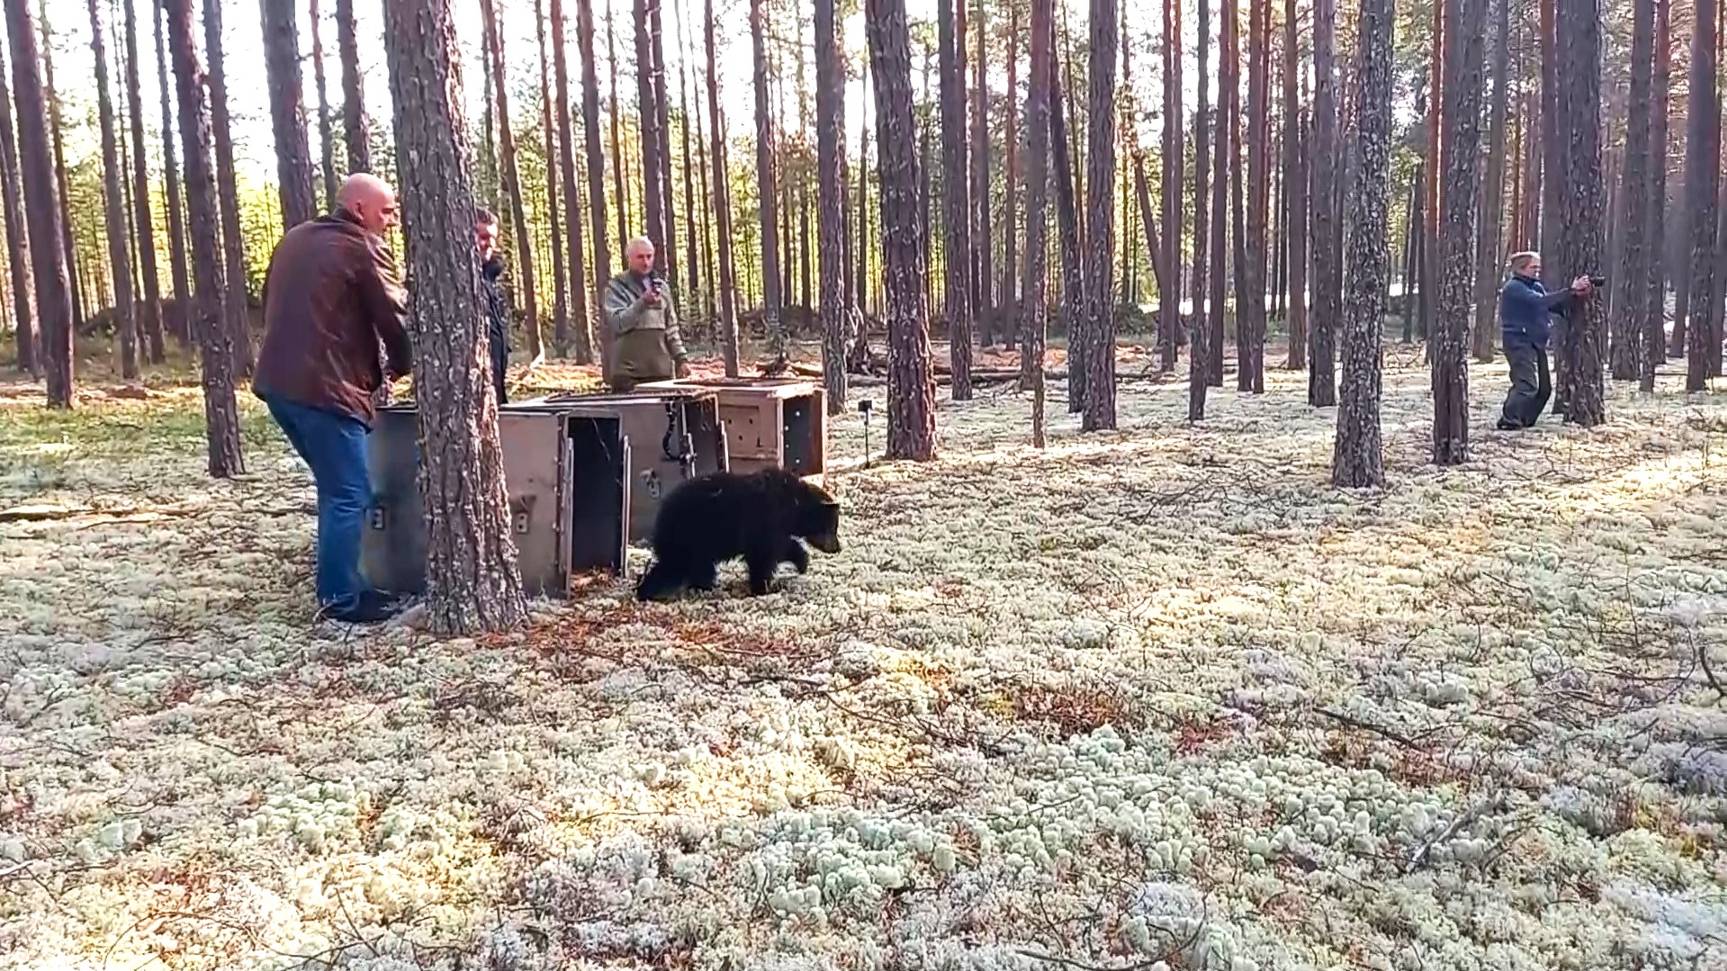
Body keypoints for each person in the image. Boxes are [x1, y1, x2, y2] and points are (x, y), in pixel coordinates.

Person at [254, 173, 413, 624]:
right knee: (349, 492)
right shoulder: (361, 246)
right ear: (359, 209)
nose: (392, 220)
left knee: (336, 489)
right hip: (326, 388)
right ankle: (341, 599)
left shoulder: (296, 239)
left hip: (280, 386)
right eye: (385, 211)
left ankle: (344, 585)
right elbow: (394, 317)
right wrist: (402, 366)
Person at [1497, 251, 1594, 430]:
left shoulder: (1535, 286)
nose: (1537, 271)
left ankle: (1525, 419)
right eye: (1533, 267)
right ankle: (1509, 420)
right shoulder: (1514, 287)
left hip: (1536, 342)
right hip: (1519, 341)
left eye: (1538, 268)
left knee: (1544, 390)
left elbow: (1553, 304)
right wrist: (1570, 290)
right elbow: (1540, 302)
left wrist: (1575, 295)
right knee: (1526, 385)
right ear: (1521, 268)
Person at [604, 236, 691, 392]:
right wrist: (642, 303)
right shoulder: (616, 287)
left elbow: (671, 328)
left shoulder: (661, 288)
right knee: (632, 416)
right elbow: (618, 323)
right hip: (628, 375)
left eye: (649, 256)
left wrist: (681, 359)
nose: (645, 262)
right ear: (629, 258)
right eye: (640, 257)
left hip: (661, 374)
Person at [475, 208, 510, 404]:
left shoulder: (492, 281)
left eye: (493, 238)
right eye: (483, 236)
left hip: (496, 390)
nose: (489, 244)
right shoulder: (458, 284)